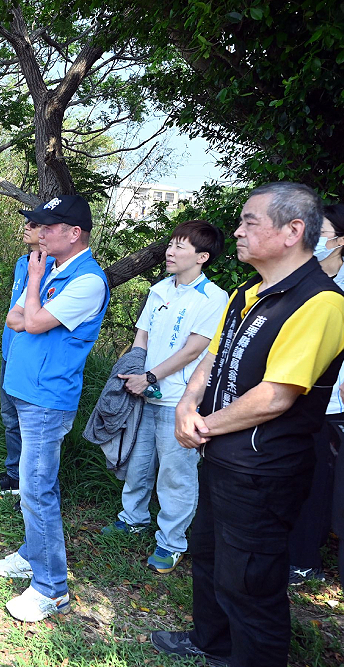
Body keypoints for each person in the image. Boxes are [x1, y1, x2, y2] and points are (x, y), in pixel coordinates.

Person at [151, 183, 344, 667]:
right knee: (209, 556)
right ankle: (211, 641)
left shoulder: (322, 303)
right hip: (221, 456)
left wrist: (203, 426)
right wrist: (187, 403)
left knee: (251, 582)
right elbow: (213, 356)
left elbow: (277, 395)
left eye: (249, 221)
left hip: (264, 468)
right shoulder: (246, 293)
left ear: (293, 231)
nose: (237, 231)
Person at [0, 195, 109, 622]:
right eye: (38, 225)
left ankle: (52, 588)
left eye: (48, 226)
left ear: (74, 233)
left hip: (46, 399)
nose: (40, 233)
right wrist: (34, 298)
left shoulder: (87, 280)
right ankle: (31, 554)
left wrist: (35, 284)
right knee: (34, 485)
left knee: (37, 489)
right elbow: (14, 319)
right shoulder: (52, 269)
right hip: (24, 388)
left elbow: (35, 321)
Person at [101, 221, 228, 574]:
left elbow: (194, 350)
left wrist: (150, 377)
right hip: (144, 393)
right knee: (137, 464)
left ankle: (172, 542)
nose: (170, 252)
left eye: (180, 247)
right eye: (171, 244)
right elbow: (141, 336)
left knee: (176, 473)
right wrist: (135, 371)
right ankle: (133, 518)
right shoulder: (159, 289)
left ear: (202, 257)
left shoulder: (214, 297)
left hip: (179, 400)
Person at [286, 202, 344, 584]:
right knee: (294, 476)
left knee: (322, 484)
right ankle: (292, 554)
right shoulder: (300, 277)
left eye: (320, 233)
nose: (312, 240)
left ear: (340, 241)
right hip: (294, 393)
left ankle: (307, 561)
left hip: (334, 402)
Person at [0, 219, 49, 496]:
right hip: (9, 350)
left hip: (31, 356)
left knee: (32, 423)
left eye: (34, 224)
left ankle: (32, 485)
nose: (26, 226)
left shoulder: (53, 267)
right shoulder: (23, 262)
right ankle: (14, 476)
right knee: (9, 417)